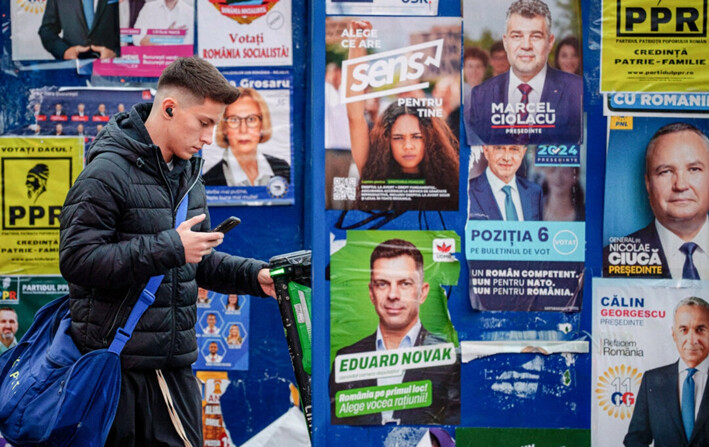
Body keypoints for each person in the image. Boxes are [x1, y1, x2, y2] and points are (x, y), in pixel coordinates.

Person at [58, 56, 276, 447]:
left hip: (174, 371)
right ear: (169, 108)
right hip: (114, 373)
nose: (210, 138)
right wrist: (170, 246)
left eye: (215, 125)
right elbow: (77, 260)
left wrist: (254, 276)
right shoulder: (106, 171)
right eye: (204, 123)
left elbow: (195, 259)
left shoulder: (189, 175)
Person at [329, 239, 460, 425]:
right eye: (382, 284)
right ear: (371, 292)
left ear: (422, 292)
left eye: (405, 284)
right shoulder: (346, 358)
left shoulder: (449, 359)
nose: (392, 295)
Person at [345, 20, 459, 211]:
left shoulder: (449, 182)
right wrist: (356, 44)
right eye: (398, 138)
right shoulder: (372, 169)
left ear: (430, 139)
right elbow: (355, 116)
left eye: (416, 137)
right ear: (386, 140)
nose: (408, 146)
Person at [464, 0, 582, 146]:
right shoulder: (480, 97)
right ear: (506, 42)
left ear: (550, 42)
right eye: (517, 36)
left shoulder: (577, 91)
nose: (526, 45)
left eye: (536, 36)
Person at [604, 122, 709, 280]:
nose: (680, 185)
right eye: (665, 172)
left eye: (694, 169)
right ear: (648, 184)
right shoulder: (609, 262)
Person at [624, 297, 709, 446]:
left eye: (700, 329)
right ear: (674, 333)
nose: (692, 339)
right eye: (683, 330)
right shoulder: (652, 380)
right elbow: (635, 439)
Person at [202, 88, 290, 186]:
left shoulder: (283, 169)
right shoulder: (209, 181)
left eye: (251, 119)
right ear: (224, 128)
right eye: (234, 120)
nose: (243, 130)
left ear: (262, 125)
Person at [468, 145, 543, 220]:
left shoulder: (535, 192)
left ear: (523, 153)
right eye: (499, 148)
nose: (507, 158)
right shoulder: (466, 192)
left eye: (514, 149)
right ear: (486, 151)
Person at [38, 0, 120, 60]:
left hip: (113, 72)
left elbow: (130, 28)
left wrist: (116, 54)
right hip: (73, 71)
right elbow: (47, 30)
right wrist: (64, 51)